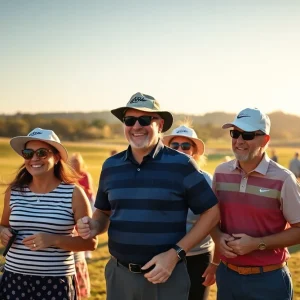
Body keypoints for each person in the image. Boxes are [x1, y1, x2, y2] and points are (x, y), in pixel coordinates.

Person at [77, 92, 220, 300]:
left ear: (160, 125)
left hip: (165, 276)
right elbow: (104, 212)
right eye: (129, 120)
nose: (136, 126)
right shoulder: (111, 166)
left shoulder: (182, 164)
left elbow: (212, 212)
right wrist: (94, 226)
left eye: (145, 119)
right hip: (119, 275)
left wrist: (174, 254)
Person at [212, 107, 300, 300]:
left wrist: (258, 244)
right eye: (235, 133)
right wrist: (217, 237)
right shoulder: (220, 173)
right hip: (228, 278)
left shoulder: (284, 179)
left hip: (269, 280)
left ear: (265, 140)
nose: (239, 141)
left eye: (248, 135)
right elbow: (210, 219)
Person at [0, 128, 97, 300]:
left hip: (56, 283)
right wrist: (2, 232)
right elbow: (4, 225)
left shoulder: (74, 194)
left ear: (57, 157)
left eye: (42, 153)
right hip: (14, 280)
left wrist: (54, 240)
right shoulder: (14, 191)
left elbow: (90, 242)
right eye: (28, 153)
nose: (34, 158)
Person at [163, 123, 217, 300]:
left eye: (186, 146)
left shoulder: (206, 180)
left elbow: (215, 220)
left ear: (194, 151)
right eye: (175, 145)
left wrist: (216, 262)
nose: (180, 149)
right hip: (163, 255)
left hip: (197, 256)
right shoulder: (158, 178)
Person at [70, 152, 95, 262]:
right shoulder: (69, 175)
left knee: (86, 226)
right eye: (73, 162)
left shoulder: (85, 175)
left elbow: (89, 191)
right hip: (74, 204)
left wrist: (79, 190)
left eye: (77, 163)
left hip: (88, 202)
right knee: (76, 228)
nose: (75, 165)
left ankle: (87, 251)